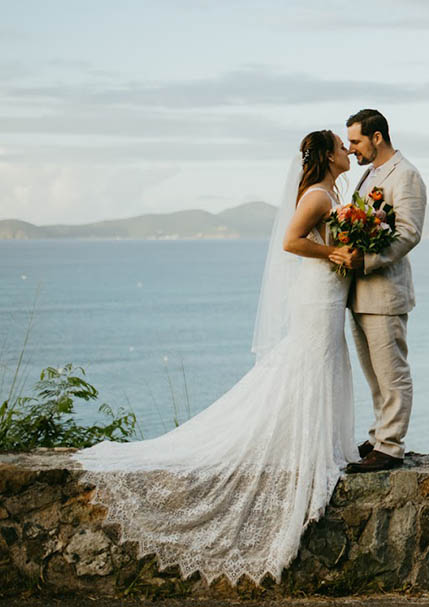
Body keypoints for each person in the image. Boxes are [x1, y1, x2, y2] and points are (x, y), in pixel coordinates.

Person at [73, 130, 358, 586]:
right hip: (317, 294)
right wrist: (334, 251)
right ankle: (304, 444)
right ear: (327, 157)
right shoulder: (320, 195)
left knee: (324, 361)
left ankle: (324, 441)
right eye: (341, 147)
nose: (348, 151)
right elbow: (291, 241)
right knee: (308, 363)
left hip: (327, 292)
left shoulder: (331, 193)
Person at [330, 109, 426, 473]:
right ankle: (378, 435)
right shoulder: (368, 175)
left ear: (377, 137)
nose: (351, 149)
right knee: (374, 375)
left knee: (392, 373)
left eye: (355, 141)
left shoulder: (406, 175)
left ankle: (390, 447)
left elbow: (408, 233)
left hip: (385, 292)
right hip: (359, 294)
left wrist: (366, 260)